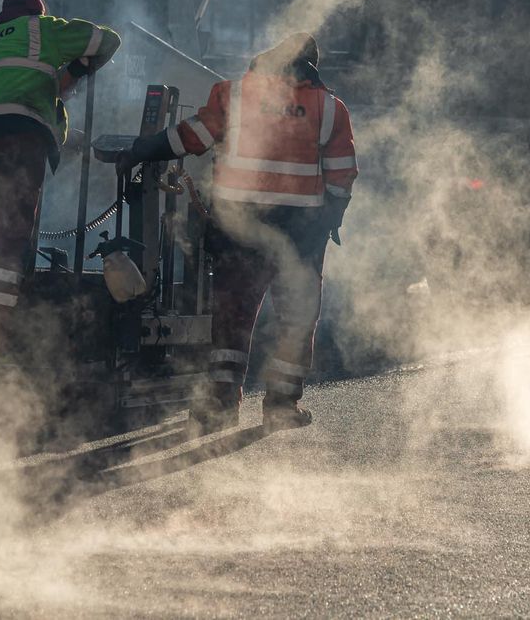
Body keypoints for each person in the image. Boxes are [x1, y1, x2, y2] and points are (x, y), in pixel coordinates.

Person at [118, 33, 357, 433]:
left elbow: (191, 136)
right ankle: (281, 406)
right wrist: (332, 217)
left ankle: (220, 405)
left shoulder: (234, 95)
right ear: (311, 66)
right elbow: (342, 173)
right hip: (300, 232)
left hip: (238, 224)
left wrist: (148, 148)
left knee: (233, 316)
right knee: (296, 318)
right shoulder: (330, 108)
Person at [0, 0, 120, 326]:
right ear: (36, 14)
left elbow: (3, 96)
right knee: (13, 235)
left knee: (3, 212)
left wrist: (59, 91)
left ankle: (2, 268)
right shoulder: (43, 29)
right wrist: (78, 68)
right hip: (18, 133)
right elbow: (106, 41)